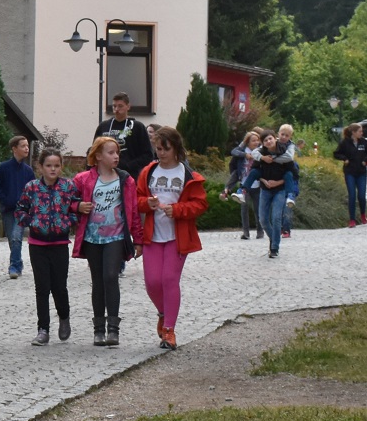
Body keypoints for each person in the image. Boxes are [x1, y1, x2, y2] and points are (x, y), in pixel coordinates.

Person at [136, 126, 208, 350]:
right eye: (158, 149)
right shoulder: (148, 172)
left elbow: (200, 204)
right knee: (152, 282)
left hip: (177, 236)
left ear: (176, 148)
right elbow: (136, 199)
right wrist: (146, 204)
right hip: (153, 235)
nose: (161, 153)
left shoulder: (188, 175)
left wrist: (177, 210)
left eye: (165, 149)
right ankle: (163, 312)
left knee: (169, 279)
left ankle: (169, 330)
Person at [71, 135, 136, 347]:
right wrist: (78, 206)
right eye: (111, 152)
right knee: (98, 280)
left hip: (115, 236)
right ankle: (98, 330)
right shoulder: (83, 179)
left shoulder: (125, 180)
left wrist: (139, 239)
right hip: (92, 237)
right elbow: (67, 200)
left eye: (117, 152)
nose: (116, 156)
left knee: (110, 276)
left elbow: (133, 211)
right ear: (98, 156)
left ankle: (113, 329)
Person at [14, 147, 79, 344]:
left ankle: (64, 316)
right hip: (38, 244)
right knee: (42, 287)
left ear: (61, 167)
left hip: (59, 243)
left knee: (59, 286)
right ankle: (43, 329)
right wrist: (32, 222)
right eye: (49, 165)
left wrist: (67, 222)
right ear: (40, 167)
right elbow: (20, 210)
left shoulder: (68, 187)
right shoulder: (32, 187)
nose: (53, 169)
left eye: (56, 165)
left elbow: (76, 209)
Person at [246, 130, 295, 258]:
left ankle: (274, 248)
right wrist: (264, 181)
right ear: (263, 143)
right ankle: (274, 238)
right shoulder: (261, 154)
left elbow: (292, 173)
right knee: (263, 219)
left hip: (280, 189)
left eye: (270, 139)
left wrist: (277, 182)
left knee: (276, 217)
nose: (268, 141)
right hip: (265, 189)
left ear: (275, 138)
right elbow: (255, 171)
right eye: (265, 140)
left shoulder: (284, 151)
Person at [0, 135, 35, 279]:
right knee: (12, 239)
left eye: (27, 145)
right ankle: (18, 263)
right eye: (23, 146)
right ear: (14, 149)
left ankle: (14, 266)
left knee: (16, 237)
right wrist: (5, 200)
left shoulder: (28, 171)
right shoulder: (3, 168)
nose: (26, 148)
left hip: (22, 211)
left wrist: (28, 205)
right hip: (8, 210)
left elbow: (33, 189)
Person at [93, 92, 157, 181]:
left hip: (129, 176)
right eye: (114, 106)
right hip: (104, 175)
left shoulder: (137, 127)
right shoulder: (103, 126)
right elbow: (94, 150)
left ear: (128, 106)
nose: (116, 109)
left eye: (120, 106)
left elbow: (148, 155)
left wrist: (129, 165)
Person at [332, 123, 367, 227]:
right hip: (350, 172)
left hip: (361, 172)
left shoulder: (363, 142)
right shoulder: (345, 142)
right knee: (352, 195)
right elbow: (336, 153)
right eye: (360, 131)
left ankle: (363, 215)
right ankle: (352, 219)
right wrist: (344, 159)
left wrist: (365, 160)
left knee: (361, 196)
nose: (361, 133)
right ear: (353, 132)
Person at [225, 130, 264, 241]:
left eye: (257, 140)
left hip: (257, 185)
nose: (256, 142)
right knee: (244, 209)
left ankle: (260, 232)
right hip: (244, 185)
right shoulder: (241, 152)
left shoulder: (260, 151)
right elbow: (233, 154)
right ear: (247, 142)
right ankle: (246, 233)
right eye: (253, 140)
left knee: (258, 209)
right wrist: (245, 155)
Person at [276, 123, 301, 238]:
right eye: (282, 134)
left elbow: (294, 177)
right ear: (278, 134)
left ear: (290, 137)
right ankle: (279, 228)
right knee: (278, 209)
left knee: (287, 209)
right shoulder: (273, 144)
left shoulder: (291, 149)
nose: (284, 137)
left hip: (289, 185)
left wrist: (294, 191)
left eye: (287, 135)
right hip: (278, 184)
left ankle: (286, 229)